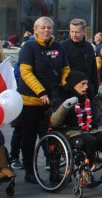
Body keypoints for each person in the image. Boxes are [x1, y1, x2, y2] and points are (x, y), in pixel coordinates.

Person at [17, 16, 70, 184]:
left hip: (53, 101)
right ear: (35, 30)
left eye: (49, 28)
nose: (46, 30)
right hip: (31, 101)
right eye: (43, 28)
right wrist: (41, 93)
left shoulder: (58, 47)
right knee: (29, 137)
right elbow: (26, 73)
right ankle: (29, 171)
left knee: (53, 135)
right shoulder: (29, 47)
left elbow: (65, 70)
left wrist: (63, 88)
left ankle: (54, 170)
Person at [50, 70, 102, 182]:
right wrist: (66, 105)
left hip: (87, 129)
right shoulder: (61, 96)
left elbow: (93, 117)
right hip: (70, 131)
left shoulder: (85, 97)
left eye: (87, 84)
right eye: (82, 84)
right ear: (74, 84)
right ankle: (87, 167)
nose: (86, 87)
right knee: (90, 140)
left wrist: (99, 101)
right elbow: (55, 121)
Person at [61, 19, 100, 100]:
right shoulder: (63, 46)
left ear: (84, 31)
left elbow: (93, 69)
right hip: (70, 92)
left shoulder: (89, 46)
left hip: (88, 91)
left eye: (77, 32)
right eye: (72, 31)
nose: (74, 34)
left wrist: (95, 88)